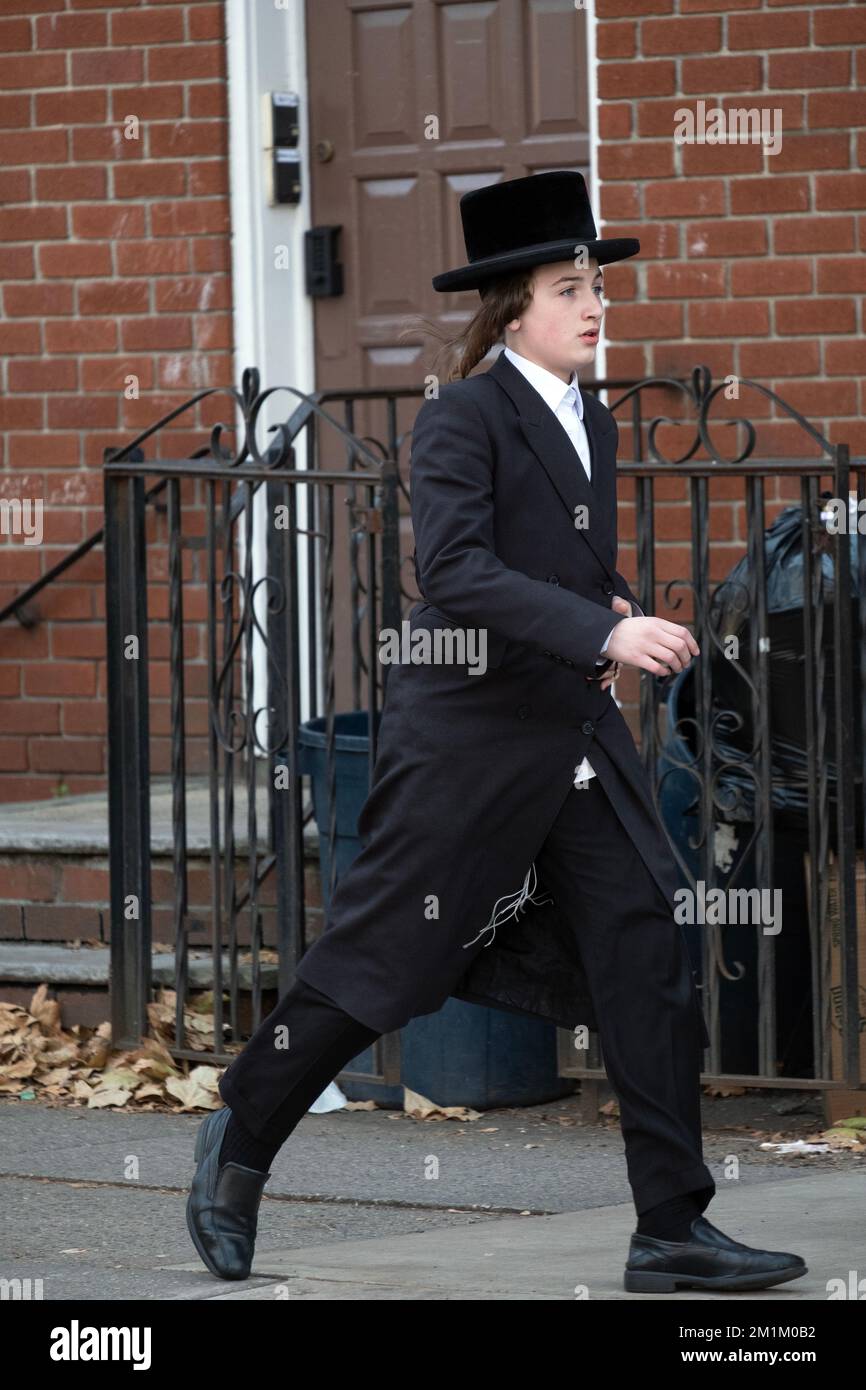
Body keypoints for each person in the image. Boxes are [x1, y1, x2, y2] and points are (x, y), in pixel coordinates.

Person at [187, 170, 807, 1295]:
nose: (593, 304)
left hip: (568, 735)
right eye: (568, 287)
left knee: (647, 950)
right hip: (466, 739)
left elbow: (555, 564)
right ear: (509, 309)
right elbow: (456, 571)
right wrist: (599, 631)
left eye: (595, 286)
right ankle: (240, 1133)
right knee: (383, 965)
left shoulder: (590, 419)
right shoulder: (459, 413)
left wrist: (608, 607)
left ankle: (669, 1227)